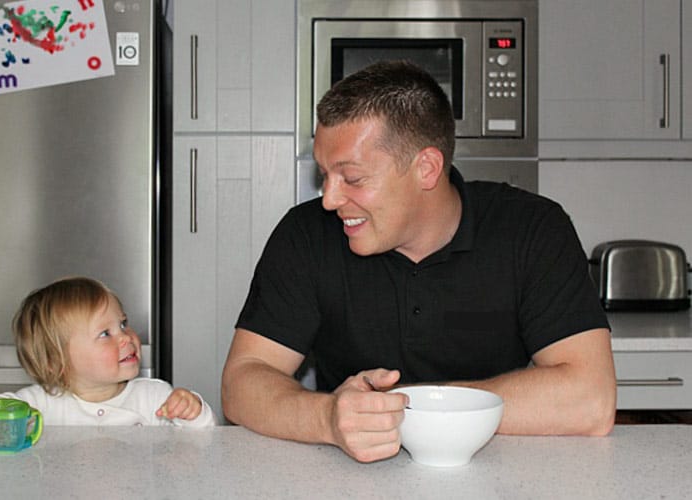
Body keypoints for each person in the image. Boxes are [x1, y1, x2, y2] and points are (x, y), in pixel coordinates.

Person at [221, 60, 616, 463]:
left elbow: (591, 400)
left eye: (352, 178)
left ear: (426, 168)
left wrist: (409, 408)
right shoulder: (306, 234)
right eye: (324, 174)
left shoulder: (533, 229)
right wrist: (328, 419)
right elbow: (242, 382)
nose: (329, 199)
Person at [0, 276, 216, 428]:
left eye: (123, 324)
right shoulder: (41, 405)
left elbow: (207, 442)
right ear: (56, 362)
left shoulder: (154, 397)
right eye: (105, 333)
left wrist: (194, 410)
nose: (126, 338)